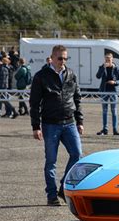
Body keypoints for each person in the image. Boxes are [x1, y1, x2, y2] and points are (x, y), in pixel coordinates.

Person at [29, 44, 83, 206]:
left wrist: (80, 121)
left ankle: (62, 188)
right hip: (50, 124)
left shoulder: (71, 74)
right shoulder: (41, 76)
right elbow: (34, 103)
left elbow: (77, 98)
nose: (63, 61)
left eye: (65, 58)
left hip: (69, 122)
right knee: (51, 161)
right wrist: (35, 126)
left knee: (77, 155)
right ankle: (51, 195)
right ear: (52, 58)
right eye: (60, 58)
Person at [96, 53, 119, 135]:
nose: (107, 61)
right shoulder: (102, 67)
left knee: (114, 111)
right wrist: (103, 68)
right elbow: (98, 76)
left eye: (109, 59)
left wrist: (114, 82)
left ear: (112, 59)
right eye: (106, 59)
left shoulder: (116, 68)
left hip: (113, 91)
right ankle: (105, 129)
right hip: (104, 90)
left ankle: (115, 129)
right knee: (104, 111)